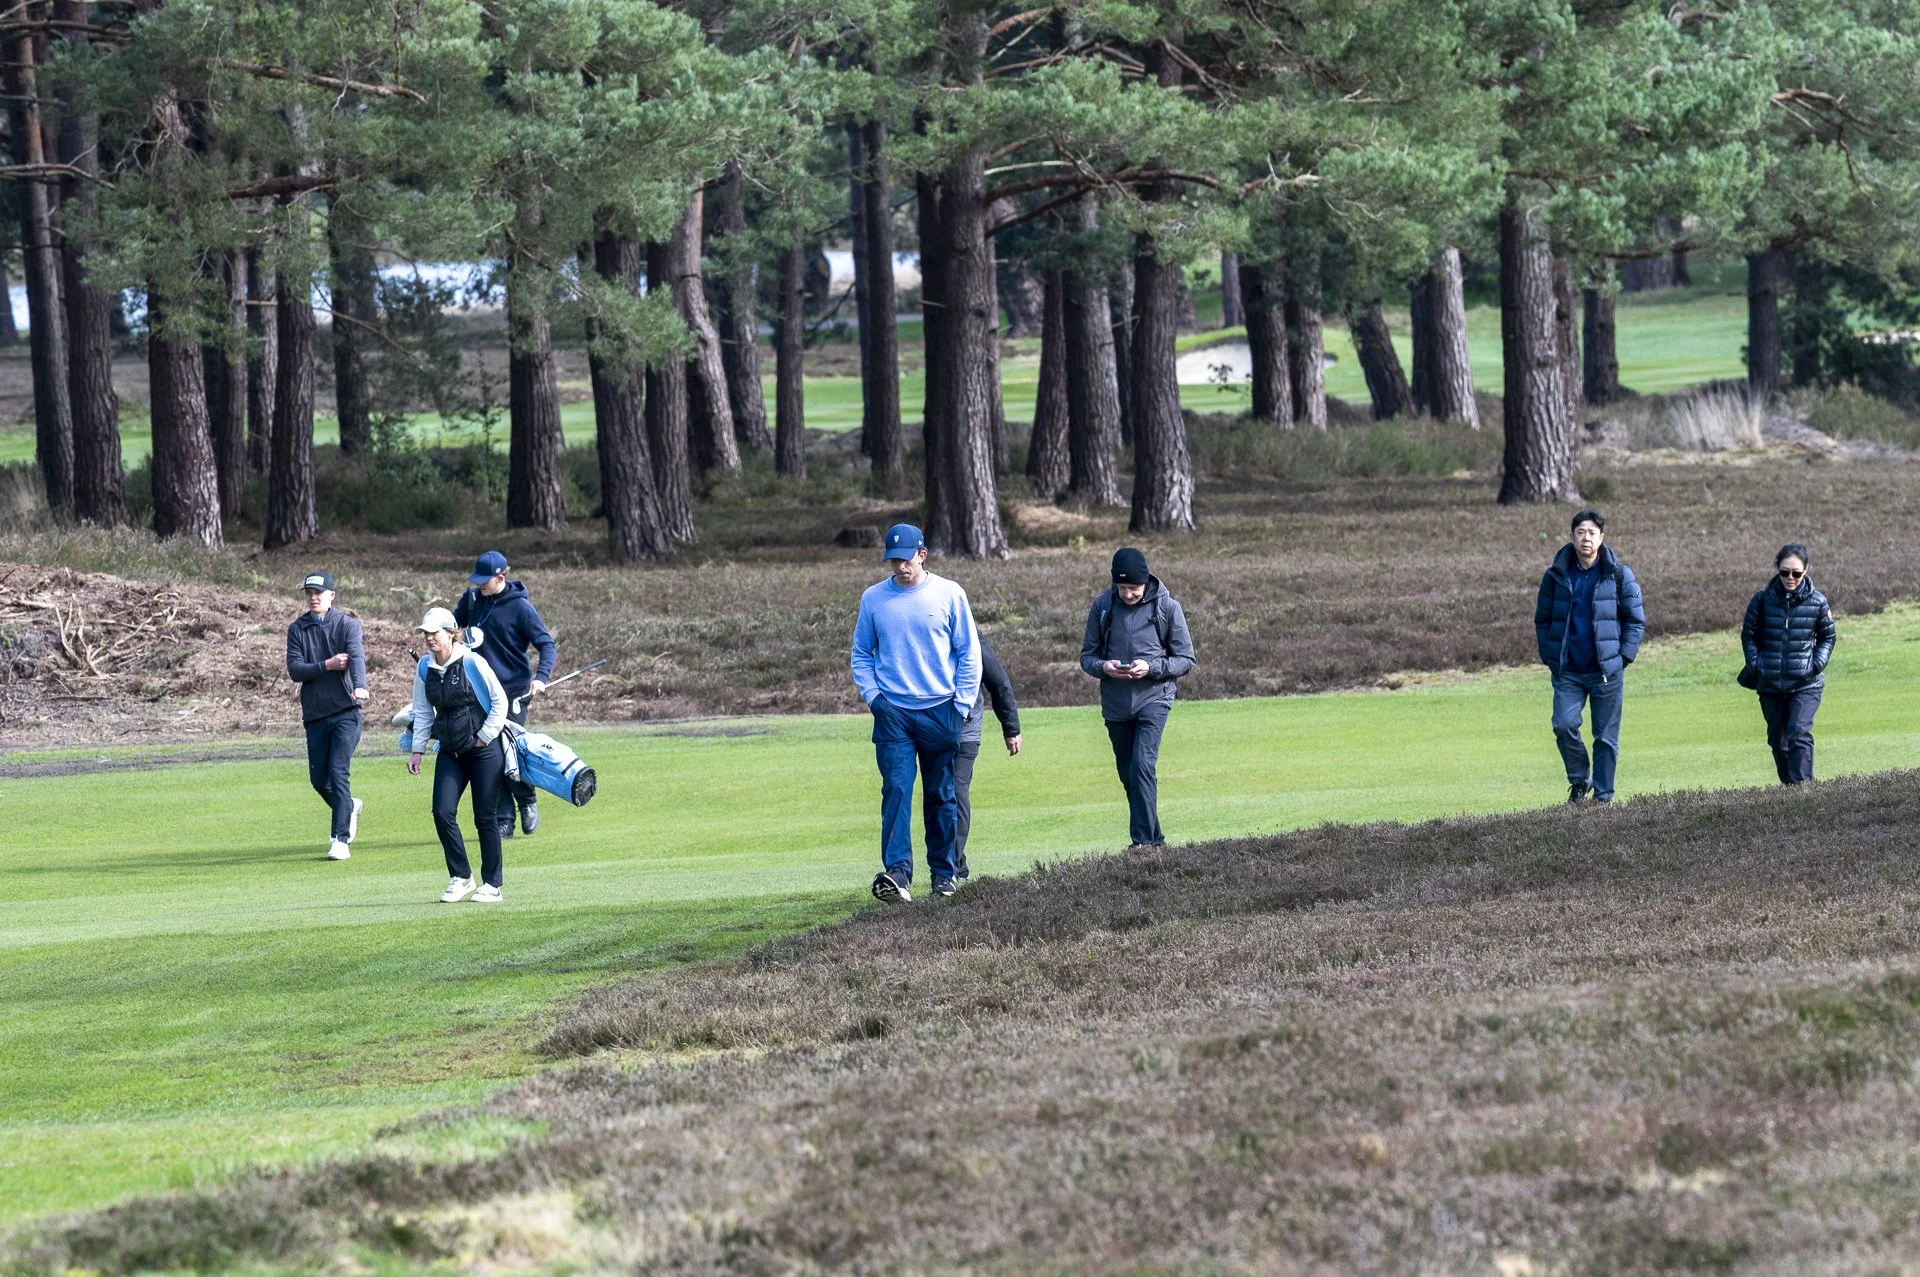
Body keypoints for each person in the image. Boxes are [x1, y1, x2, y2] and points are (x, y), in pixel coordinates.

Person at [850, 523, 981, 903]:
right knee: (896, 789)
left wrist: (960, 705)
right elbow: (861, 653)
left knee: (941, 794)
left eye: (905, 559)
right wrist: (875, 699)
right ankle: (898, 874)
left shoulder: (949, 594)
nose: (900, 567)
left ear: (922, 554)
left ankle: (943, 875)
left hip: (941, 709)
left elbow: (969, 654)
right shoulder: (874, 599)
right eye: (893, 560)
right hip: (894, 714)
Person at [1079, 547, 1196, 849]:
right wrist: (1104, 667)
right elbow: (1087, 657)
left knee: (1142, 765)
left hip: (1154, 699)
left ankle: (1141, 844)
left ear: (1145, 582)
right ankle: (1155, 841)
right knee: (1129, 775)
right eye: (1122, 587)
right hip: (1116, 706)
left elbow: (1185, 659)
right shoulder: (1102, 607)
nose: (1128, 594)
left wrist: (1152, 667)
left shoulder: (1168, 607)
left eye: (1133, 587)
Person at [1534, 509, 1646, 806]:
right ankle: (1580, 779)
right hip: (1568, 671)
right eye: (1581, 532)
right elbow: (1542, 620)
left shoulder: (1619, 574)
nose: (1586, 538)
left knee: (1605, 738)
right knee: (1563, 724)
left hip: (1606, 671)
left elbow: (1636, 621)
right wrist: (1548, 654)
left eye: (1592, 533)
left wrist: (1623, 657)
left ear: (1601, 538)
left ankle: (1604, 799)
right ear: (1572, 537)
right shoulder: (1555, 575)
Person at [406, 608, 510, 903]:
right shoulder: (425, 668)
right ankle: (462, 877)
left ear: (451, 633)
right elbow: (423, 711)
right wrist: (417, 749)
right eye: (425, 633)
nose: (429, 638)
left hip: (483, 751)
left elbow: (499, 701)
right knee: (442, 811)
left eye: (434, 633)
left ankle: (493, 885)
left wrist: (484, 736)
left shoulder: (473, 662)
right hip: (450, 750)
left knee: (485, 817)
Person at [455, 550, 556, 840]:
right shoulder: (471, 600)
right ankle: (504, 820)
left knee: (510, 749)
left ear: (501, 577)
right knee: (489, 755)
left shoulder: (521, 608)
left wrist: (541, 679)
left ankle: (526, 799)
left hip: (513, 690)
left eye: (484, 581)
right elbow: (452, 628)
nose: (479, 586)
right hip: (478, 689)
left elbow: (546, 645)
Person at [285, 570, 368, 861]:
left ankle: (340, 839)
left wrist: (360, 686)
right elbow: (295, 670)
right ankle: (349, 806)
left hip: (346, 711)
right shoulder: (297, 629)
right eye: (309, 592)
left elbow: (356, 656)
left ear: (332, 595)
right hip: (315, 713)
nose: (313, 597)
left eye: (319, 592)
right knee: (319, 780)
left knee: (338, 771)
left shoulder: (347, 625)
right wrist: (327, 665)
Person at [1741, 543, 1836, 785]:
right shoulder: (1761, 601)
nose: (1790, 578)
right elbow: (1748, 635)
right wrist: (1756, 663)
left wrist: (1815, 665)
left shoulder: (1818, 602)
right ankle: (1790, 792)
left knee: (1799, 734)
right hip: (1769, 683)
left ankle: (1804, 792)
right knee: (1778, 741)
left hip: (1806, 683)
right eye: (1784, 572)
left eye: (1796, 573)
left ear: (1806, 570)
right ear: (1777, 570)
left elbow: (1828, 637)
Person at [953, 637, 1022, 882]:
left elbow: (999, 683)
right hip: (930, 728)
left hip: (965, 732)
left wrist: (1011, 729)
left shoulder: (971, 638)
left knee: (955, 791)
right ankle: (948, 868)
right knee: (937, 794)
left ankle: (954, 869)